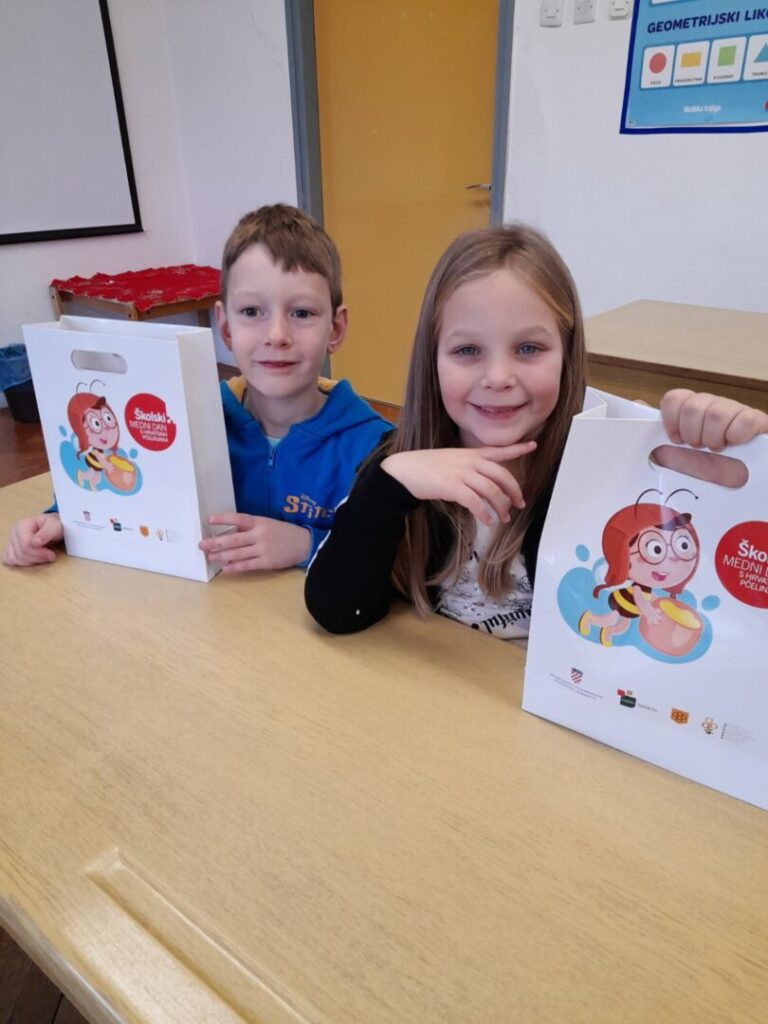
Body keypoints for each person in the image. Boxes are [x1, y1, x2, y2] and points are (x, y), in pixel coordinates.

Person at [305, 224, 768, 637]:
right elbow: (338, 611)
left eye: (528, 348)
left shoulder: (610, 463)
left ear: (567, 355)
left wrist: (726, 456)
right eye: (467, 350)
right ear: (433, 359)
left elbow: (711, 594)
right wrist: (390, 486)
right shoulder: (401, 461)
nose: (498, 377)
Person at [3, 205, 391, 571]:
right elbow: (125, 493)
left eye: (302, 312)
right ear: (225, 327)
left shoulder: (375, 448)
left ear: (335, 329)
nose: (276, 334)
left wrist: (306, 545)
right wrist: (61, 520)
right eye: (251, 312)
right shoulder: (187, 420)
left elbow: (395, 561)